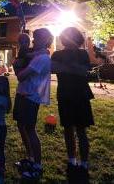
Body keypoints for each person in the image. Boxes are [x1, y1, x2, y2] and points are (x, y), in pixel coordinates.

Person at [51, 27, 94, 179]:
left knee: (81, 130)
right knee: (68, 129)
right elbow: (53, 68)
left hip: (80, 95)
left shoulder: (83, 53)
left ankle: (84, 162)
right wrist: (74, 68)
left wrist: (65, 67)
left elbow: (84, 72)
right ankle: (72, 160)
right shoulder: (57, 54)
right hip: (65, 95)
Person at [13, 28, 53, 180]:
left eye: (36, 38)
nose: (33, 41)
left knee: (30, 129)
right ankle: (30, 158)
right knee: (21, 125)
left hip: (31, 96)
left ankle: (37, 165)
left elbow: (22, 76)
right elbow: (24, 56)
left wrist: (17, 66)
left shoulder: (42, 58)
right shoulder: (36, 55)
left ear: (44, 40)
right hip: (22, 93)